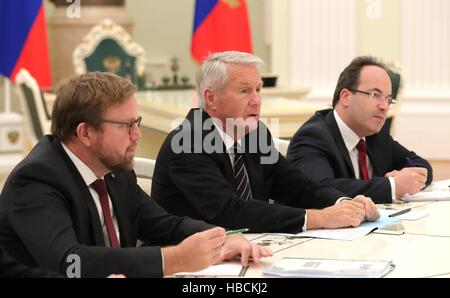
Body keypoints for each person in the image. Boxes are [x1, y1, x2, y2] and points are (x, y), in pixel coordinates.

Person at [0, 72, 271, 278]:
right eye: (126, 126)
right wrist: (173, 259)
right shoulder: (37, 179)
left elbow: (164, 224)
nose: (137, 135)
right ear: (85, 133)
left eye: (137, 123)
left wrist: (220, 238)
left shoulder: (115, 172)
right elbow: (70, 261)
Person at [151, 51, 379, 233]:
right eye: (244, 91)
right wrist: (320, 218)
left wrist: (344, 203)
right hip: (192, 264)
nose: (257, 101)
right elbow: (231, 212)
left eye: (259, 90)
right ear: (211, 98)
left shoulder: (255, 134)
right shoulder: (188, 142)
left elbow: (297, 186)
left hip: (250, 249)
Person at [287, 56, 433, 203]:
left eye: (388, 99)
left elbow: (419, 164)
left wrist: (411, 177)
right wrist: (393, 186)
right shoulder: (313, 136)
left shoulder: (375, 135)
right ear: (345, 97)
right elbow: (320, 189)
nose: (384, 107)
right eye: (374, 95)